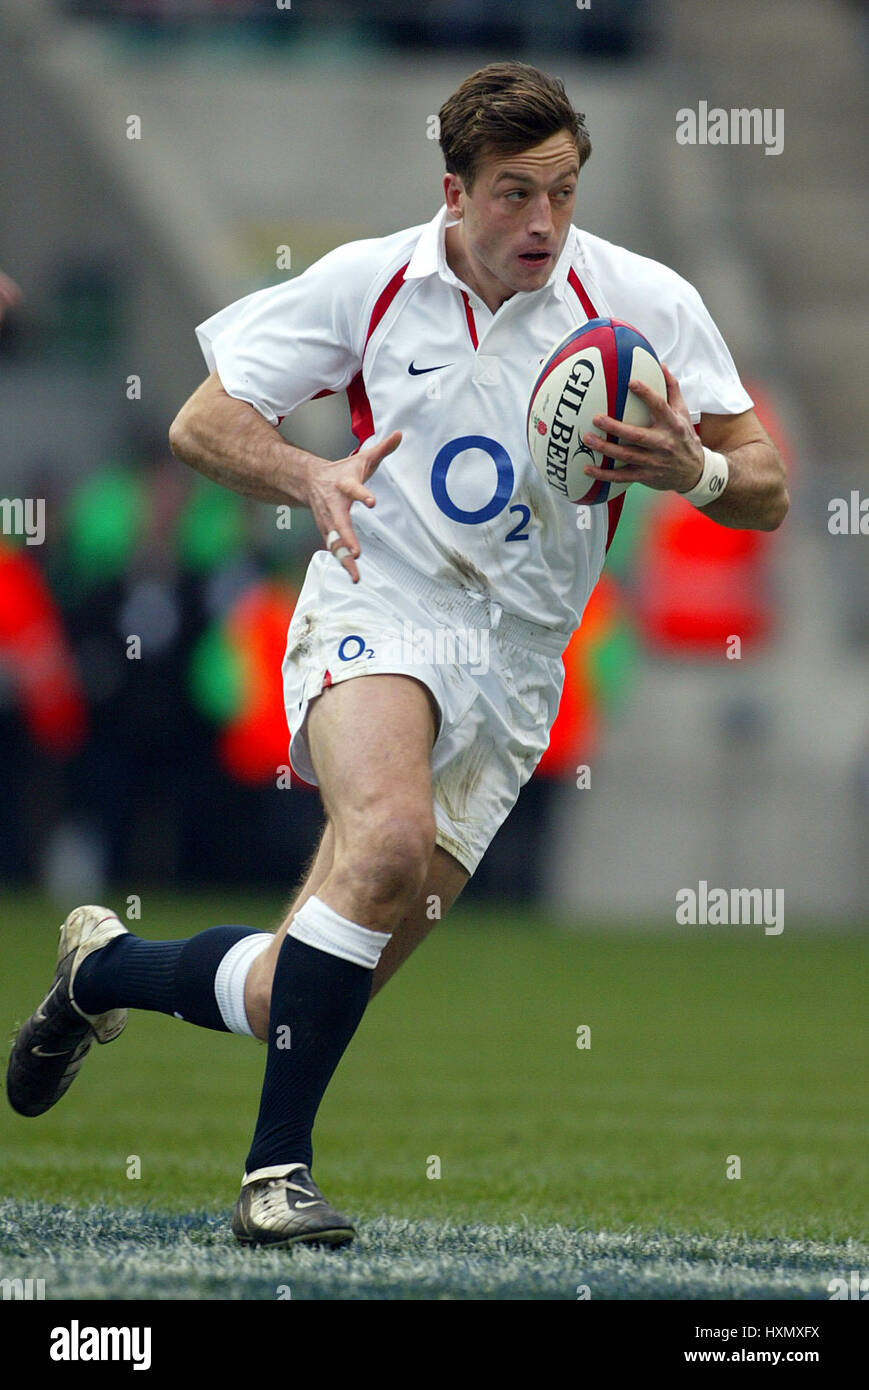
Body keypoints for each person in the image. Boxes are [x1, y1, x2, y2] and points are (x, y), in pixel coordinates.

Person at [7, 61, 787, 1248]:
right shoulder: (370, 282)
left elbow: (767, 487)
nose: (541, 223)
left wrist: (699, 474)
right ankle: (277, 1176)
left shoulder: (640, 304)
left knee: (294, 991)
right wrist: (309, 472)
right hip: (381, 605)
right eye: (514, 193)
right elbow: (201, 422)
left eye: (563, 193)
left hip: (521, 668)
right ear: (454, 188)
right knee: (379, 838)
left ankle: (102, 975)